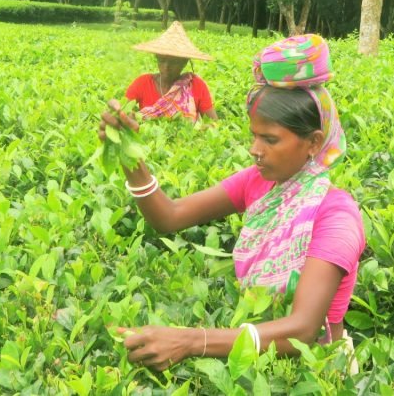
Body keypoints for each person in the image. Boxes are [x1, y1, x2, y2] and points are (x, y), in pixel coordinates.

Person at [100, 34, 365, 371]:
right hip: (244, 355)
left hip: (316, 373)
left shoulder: (337, 216)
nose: (255, 149)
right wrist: (126, 152)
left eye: (269, 139)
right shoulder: (258, 181)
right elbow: (170, 216)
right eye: (254, 135)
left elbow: (303, 330)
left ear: (313, 142)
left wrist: (191, 340)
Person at [126, 21, 218, 121]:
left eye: (173, 62)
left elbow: (213, 124)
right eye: (162, 60)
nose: (166, 67)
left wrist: (199, 130)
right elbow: (122, 112)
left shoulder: (196, 86)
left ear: (184, 62)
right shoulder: (143, 83)